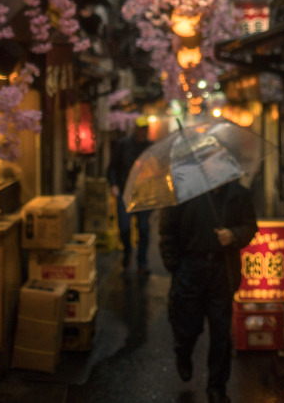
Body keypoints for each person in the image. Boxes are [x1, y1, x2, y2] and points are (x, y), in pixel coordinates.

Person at [159, 180, 258, 403]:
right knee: (187, 325)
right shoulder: (185, 191)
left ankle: (217, 388)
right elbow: (167, 228)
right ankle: (183, 352)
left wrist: (234, 235)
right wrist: (173, 264)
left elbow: (250, 226)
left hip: (222, 269)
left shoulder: (238, 194)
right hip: (189, 267)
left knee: (221, 332)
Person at [107, 115, 152, 274]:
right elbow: (112, 167)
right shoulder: (123, 145)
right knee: (124, 227)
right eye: (140, 129)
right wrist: (114, 185)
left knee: (144, 229)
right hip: (125, 193)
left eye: (145, 129)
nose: (143, 132)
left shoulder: (150, 148)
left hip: (144, 195)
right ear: (135, 129)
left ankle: (142, 262)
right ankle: (127, 253)